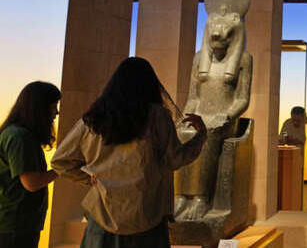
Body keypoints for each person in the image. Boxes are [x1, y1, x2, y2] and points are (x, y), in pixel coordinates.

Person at [52, 57, 207, 248]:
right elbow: (175, 159)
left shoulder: (96, 117)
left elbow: (60, 161)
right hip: (147, 218)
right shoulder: (157, 116)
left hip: (102, 218)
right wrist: (200, 136)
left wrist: (90, 179)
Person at [0, 81, 61, 248]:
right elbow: (32, 183)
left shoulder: (18, 135)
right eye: (53, 106)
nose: (57, 112)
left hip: (18, 225)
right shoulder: (20, 137)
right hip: (15, 227)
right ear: (39, 108)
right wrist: (63, 168)